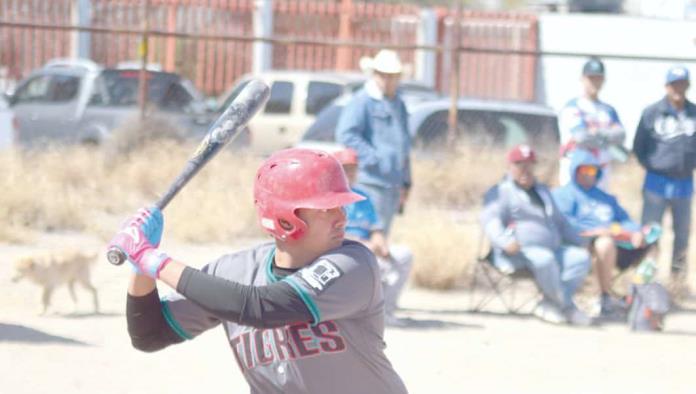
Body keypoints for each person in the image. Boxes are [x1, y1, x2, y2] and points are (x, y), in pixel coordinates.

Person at [108, 148, 408, 394]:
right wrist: (140, 266)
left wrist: (154, 260)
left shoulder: (354, 265)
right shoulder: (234, 273)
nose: (342, 217)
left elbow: (261, 307)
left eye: (341, 205)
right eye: (325, 208)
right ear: (285, 219)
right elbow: (149, 334)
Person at [480, 144, 593, 326]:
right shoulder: (501, 191)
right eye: (520, 165)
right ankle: (566, 307)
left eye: (529, 165)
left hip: (552, 249)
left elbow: (561, 223)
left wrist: (582, 241)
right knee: (545, 260)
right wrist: (505, 241)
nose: (525, 170)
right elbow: (490, 221)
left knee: (579, 258)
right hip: (519, 252)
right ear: (510, 167)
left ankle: (550, 303)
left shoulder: (543, 191)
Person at [552, 148, 661, 318]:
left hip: (618, 242)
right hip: (586, 245)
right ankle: (604, 298)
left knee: (652, 243)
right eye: (584, 169)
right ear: (575, 170)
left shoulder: (606, 198)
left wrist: (636, 232)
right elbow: (565, 223)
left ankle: (639, 295)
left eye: (593, 170)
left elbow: (625, 220)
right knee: (604, 243)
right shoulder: (564, 195)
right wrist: (595, 232)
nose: (589, 174)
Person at [633, 65, 696, 294]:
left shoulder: (694, 113)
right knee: (651, 232)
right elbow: (638, 147)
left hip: (685, 182)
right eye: (674, 84)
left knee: (681, 234)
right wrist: (654, 165)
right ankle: (646, 280)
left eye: (682, 84)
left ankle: (676, 283)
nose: (678, 89)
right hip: (656, 182)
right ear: (667, 86)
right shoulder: (652, 112)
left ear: (687, 86)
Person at [333, 148, 413, 326]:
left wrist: (381, 245)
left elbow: (375, 227)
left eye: (353, 169)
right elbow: (330, 234)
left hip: (367, 246)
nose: (350, 174)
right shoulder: (330, 197)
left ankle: (386, 312)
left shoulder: (362, 196)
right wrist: (362, 244)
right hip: (343, 248)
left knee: (403, 255)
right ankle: (357, 314)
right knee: (371, 261)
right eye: (345, 169)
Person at [335, 49, 411, 236]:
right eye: (383, 75)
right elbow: (346, 134)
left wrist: (406, 181)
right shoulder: (363, 101)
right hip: (371, 180)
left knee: (382, 236)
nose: (388, 80)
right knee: (368, 235)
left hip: (392, 182)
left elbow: (403, 143)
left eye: (392, 76)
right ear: (374, 75)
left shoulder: (398, 103)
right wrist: (373, 158)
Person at [558, 57, 626, 190]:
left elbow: (620, 136)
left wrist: (596, 132)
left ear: (603, 80)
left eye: (598, 78)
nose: (594, 82)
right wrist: (607, 136)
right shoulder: (573, 107)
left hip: (601, 172)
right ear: (582, 79)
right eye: (591, 78)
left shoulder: (608, 110)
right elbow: (581, 138)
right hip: (575, 171)